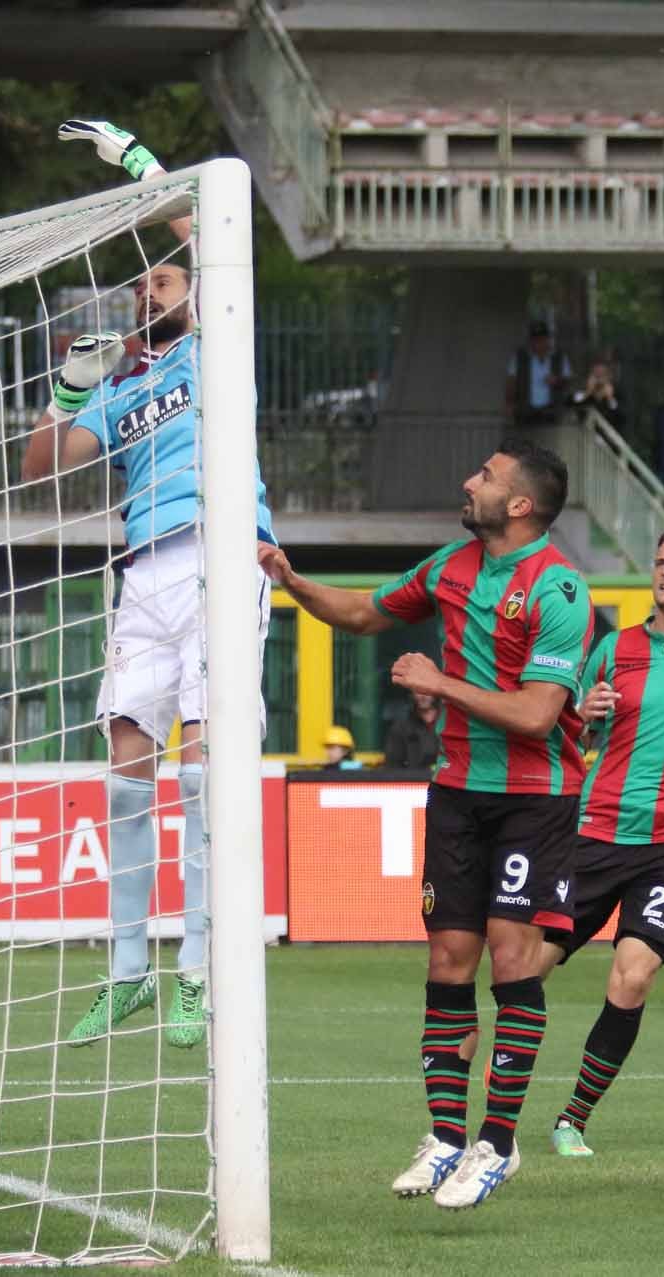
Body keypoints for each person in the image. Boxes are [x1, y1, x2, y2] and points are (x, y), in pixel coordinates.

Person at [259, 437, 592, 1211]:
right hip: (457, 794)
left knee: (512, 960)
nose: (468, 479)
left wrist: (444, 682)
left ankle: (497, 1146)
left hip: (533, 798)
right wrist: (294, 580)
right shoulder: (448, 566)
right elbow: (365, 613)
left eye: (486, 475)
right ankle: (446, 1136)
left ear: (519, 504)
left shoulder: (561, 589)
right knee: (448, 960)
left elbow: (541, 717)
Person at [22, 118, 275, 1054]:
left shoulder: (223, 342)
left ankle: (197, 972)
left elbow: (204, 232)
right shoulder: (128, 386)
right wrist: (69, 389)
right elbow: (41, 465)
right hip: (145, 573)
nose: (148, 292)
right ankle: (128, 968)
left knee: (203, 768)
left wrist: (137, 168)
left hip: (219, 552)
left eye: (161, 281)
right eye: (143, 287)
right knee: (129, 768)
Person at [538, 529, 664, 1158]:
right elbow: (563, 730)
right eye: (661, 562)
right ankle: (496, 1112)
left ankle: (572, 1120)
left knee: (634, 974)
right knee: (526, 967)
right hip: (592, 832)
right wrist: (582, 712)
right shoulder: (613, 647)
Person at [505, 320, 572, 428]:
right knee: (526, 442)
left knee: (548, 442)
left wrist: (557, 380)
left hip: (551, 411)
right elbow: (511, 381)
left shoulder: (559, 357)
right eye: (536, 340)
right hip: (525, 411)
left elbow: (568, 381)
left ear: (548, 340)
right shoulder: (519, 357)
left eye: (542, 339)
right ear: (530, 341)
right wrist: (509, 403)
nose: (539, 343)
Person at [382, 690, 442, 770]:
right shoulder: (401, 727)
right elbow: (392, 765)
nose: (423, 696)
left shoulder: (450, 724)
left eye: (428, 690)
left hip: (445, 779)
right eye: (418, 690)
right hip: (412, 780)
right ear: (411, 694)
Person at [570, 358, 624, 431]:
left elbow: (621, 418)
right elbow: (570, 405)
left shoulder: (617, 395)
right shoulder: (582, 394)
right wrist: (587, 393)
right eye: (596, 375)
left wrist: (610, 398)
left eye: (602, 375)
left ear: (608, 377)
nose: (599, 379)